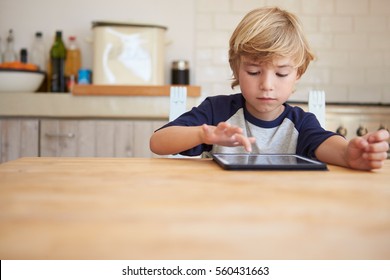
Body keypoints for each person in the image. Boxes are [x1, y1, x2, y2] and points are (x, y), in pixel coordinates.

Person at [150, 6, 389, 170]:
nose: (266, 85)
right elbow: (158, 142)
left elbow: (333, 148)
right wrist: (204, 134)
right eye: (253, 72)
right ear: (236, 69)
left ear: (298, 74)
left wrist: (351, 154)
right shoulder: (218, 111)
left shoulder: (301, 124)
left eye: (281, 73)